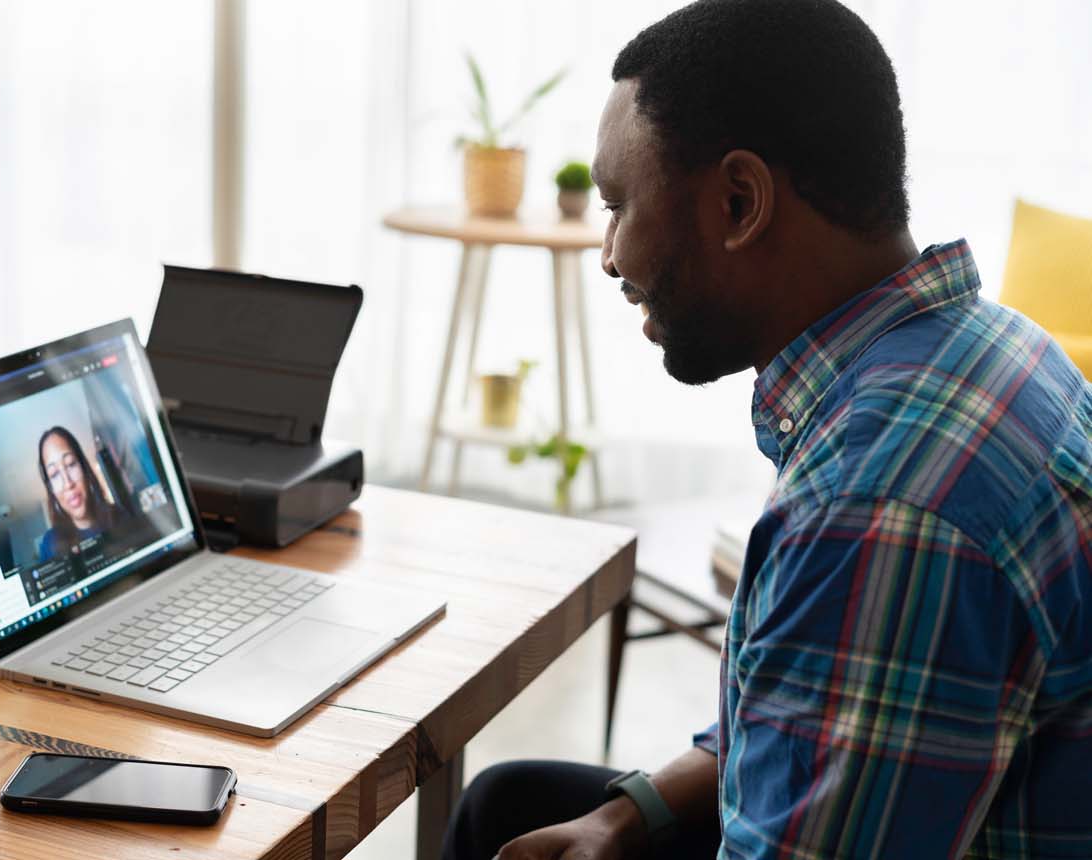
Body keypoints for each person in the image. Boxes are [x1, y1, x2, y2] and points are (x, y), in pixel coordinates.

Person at [442, 0, 1092, 858]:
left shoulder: (879, 503)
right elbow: (817, 710)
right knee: (511, 804)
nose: (609, 254)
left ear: (740, 202)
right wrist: (623, 816)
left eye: (619, 205)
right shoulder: (989, 348)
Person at [36, 425, 118, 560]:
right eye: (54, 474)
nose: (68, 483)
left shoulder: (119, 516)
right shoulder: (49, 544)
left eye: (70, 464)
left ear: (84, 468)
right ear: (51, 490)